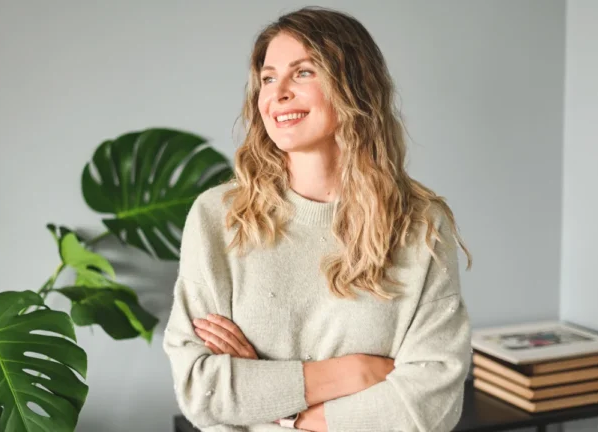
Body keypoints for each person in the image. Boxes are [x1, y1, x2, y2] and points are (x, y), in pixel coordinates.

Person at [162, 6, 473, 432]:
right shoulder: (220, 218)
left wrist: (282, 407)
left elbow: (432, 402)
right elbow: (203, 391)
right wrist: (357, 372)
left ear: (354, 87)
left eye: (303, 72)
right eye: (268, 78)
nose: (278, 93)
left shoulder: (418, 223)